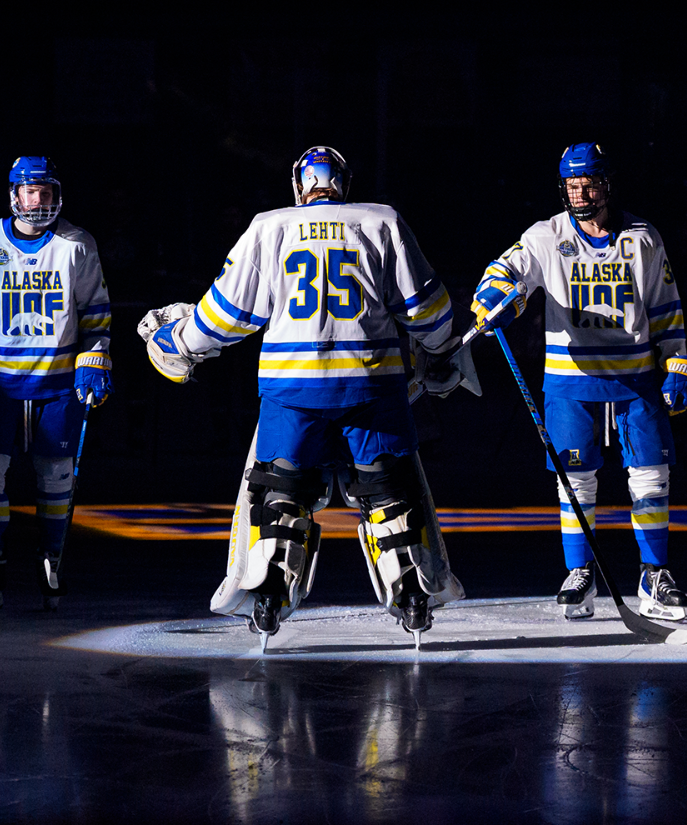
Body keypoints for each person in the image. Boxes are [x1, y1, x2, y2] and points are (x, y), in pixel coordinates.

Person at [138, 146, 466, 643]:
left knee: (281, 493)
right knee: (390, 491)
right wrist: (440, 349)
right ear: (343, 183)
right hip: (371, 383)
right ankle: (413, 595)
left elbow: (227, 313)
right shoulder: (381, 220)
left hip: (293, 386)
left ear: (299, 185)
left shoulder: (269, 226)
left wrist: (180, 342)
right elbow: (428, 310)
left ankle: (269, 595)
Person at [472, 142, 687, 622]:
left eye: (589, 185)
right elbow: (505, 269)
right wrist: (493, 295)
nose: (581, 195)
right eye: (573, 186)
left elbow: (665, 306)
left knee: (651, 475)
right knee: (574, 481)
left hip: (636, 378)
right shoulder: (545, 235)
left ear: (607, 185)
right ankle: (580, 573)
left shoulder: (643, 238)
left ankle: (654, 575)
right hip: (571, 381)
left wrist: (677, 361)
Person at [0, 156, 111, 612]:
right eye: (31, 191)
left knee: (56, 476)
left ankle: (51, 558)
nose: (39, 201)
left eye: (46, 192)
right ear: (14, 194)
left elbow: (96, 310)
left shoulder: (77, 244)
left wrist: (94, 359)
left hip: (57, 384)